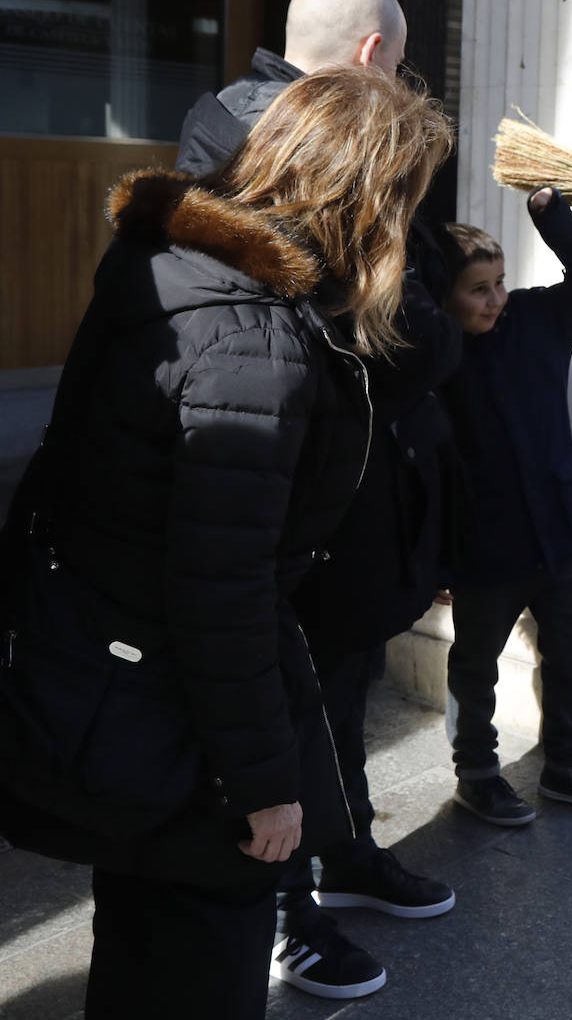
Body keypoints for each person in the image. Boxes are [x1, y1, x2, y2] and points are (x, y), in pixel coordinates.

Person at [0, 68, 450, 1019]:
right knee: (197, 960)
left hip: (115, 690)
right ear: (364, 199)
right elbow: (221, 588)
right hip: (174, 720)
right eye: (406, 199)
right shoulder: (254, 345)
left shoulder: (169, 261)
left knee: (138, 941)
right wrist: (263, 788)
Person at [174, 0, 460, 1000]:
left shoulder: (229, 129)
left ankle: (344, 858)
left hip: (335, 481)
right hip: (294, 487)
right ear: (375, 58)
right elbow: (385, 330)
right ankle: (290, 909)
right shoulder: (300, 156)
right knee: (289, 697)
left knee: (334, 689)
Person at [439, 187, 572, 826]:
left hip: (560, 529)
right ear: (445, 294)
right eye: (477, 289)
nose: (495, 298)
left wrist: (550, 214)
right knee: (475, 664)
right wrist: (434, 554)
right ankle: (478, 773)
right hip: (484, 542)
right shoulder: (435, 355)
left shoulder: (535, 318)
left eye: (498, 283)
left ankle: (568, 768)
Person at [175, 0, 408, 176]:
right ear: (370, 52)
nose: (395, 80)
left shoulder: (220, 106)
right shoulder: (340, 154)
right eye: (396, 64)